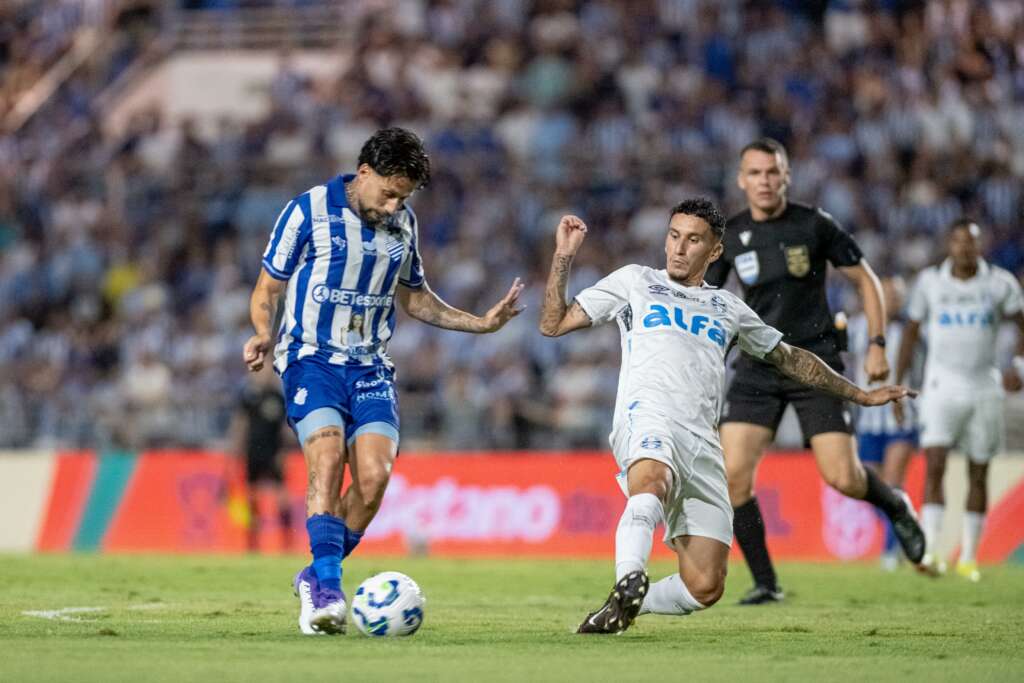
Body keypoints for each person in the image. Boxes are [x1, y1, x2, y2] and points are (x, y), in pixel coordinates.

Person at [539, 199, 915, 634]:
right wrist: (564, 256)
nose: (679, 249)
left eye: (693, 239)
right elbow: (553, 323)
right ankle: (629, 575)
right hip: (648, 417)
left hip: (702, 442)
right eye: (674, 235)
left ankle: (623, 606)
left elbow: (792, 359)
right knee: (651, 482)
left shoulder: (729, 308)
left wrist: (859, 395)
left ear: (715, 252)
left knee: (705, 586)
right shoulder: (635, 282)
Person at [242, 127, 524, 635]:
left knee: (372, 483)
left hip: (370, 366)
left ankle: (314, 574)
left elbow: (415, 298)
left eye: (404, 197)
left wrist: (479, 323)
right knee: (325, 459)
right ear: (363, 171)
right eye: (389, 192)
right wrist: (263, 333)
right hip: (312, 360)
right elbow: (268, 287)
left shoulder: (403, 226)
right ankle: (327, 593)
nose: (394, 205)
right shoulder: (306, 211)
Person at [704, 138, 925, 604]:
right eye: (755, 173)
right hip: (758, 365)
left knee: (843, 477)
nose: (764, 181)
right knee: (734, 477)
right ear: (741, 180)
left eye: (772, 172)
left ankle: (896, 504)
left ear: (786, 176)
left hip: (816, 362)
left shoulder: (814, 224)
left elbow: (865, 279)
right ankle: (766, 582)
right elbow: (706, 303)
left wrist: (878, 344)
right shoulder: (732, 235)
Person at [894, 219, 1024, 582]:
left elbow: (1021, 324)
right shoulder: (931, 283)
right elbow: (910, 332)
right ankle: (933, 552)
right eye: (958, 241)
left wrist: (1019, 366)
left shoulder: (1000, 284)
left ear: (980, 246)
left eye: (971, 242)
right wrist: (900, 383)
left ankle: (968, 557)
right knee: (935, 465)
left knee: (978, 472)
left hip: (984, 387)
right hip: (941, 386)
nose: (964, 248)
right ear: (949, 244)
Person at [847, 277, 919, 570]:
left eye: (897, 296)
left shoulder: (910, 332)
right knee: (870, 491)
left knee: (893, 483)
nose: (892, 300)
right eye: (887, 294)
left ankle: (890, 553)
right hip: (868, 418)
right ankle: (905, 524)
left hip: (902, 417)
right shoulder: (856, 327)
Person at [228, 362, 292, 553]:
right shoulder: (248, 396)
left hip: (273, 453)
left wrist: (284, 452)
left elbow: (284, 428)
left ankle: (286, 541)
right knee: (251, 497)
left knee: (281, 497)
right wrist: (236, 448)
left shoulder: (278, 397)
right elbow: (241, 422)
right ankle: (252, 542)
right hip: (252, 452)